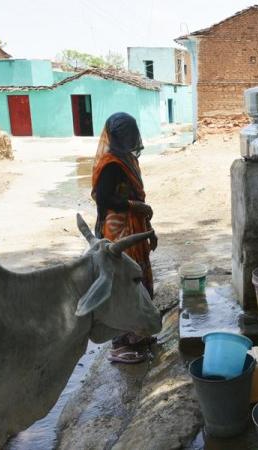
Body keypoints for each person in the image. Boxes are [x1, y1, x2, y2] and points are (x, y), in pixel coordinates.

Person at [91, 112, 159, 364]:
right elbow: (105, 199)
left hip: (135, 226)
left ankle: (138, 335)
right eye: (128, 136)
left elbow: (138, 200)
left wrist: (149, 230)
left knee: (139, 279)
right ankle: (121, 345)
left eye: (134, 134)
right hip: (117, 229)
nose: (133, 139)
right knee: (124, 285)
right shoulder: (110, 164)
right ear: (118, 137)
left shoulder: (128, 160)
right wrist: (136, 207)